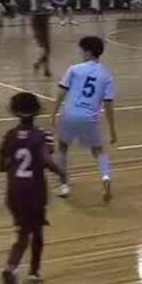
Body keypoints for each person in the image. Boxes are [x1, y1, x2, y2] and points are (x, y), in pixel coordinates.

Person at [0, 91, 64, 284]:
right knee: (37, 234)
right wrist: (61, 172)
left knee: (22, 235)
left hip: (14, 193)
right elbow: (46, 159)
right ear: (36, 112)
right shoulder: (42, 136)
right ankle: (33, 274)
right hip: (35, 192)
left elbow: (2, 165)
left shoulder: (9, 136)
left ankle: (11, 267)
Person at [50, 36, 117, 202]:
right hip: (89, 118)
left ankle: (64, 185)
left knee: (63, 148)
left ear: (87, 51)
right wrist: (113, 130)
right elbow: (108, 104)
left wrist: (54, 112)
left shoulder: (74, 69)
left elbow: (61, 92)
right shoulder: (106, 75)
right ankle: (106, 178)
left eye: (81, 49)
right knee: (98, 151)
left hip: (69, 115)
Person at [31, 0, 51, 77]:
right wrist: (38, 35)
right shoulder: (37, 14)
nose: (47, 4)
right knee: (45, 51)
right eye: (45, 3)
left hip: (46, 34)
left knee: (47, 51)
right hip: (40, 35)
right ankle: (46, 69)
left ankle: (38, 64)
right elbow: (34, 26)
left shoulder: (46, 12)